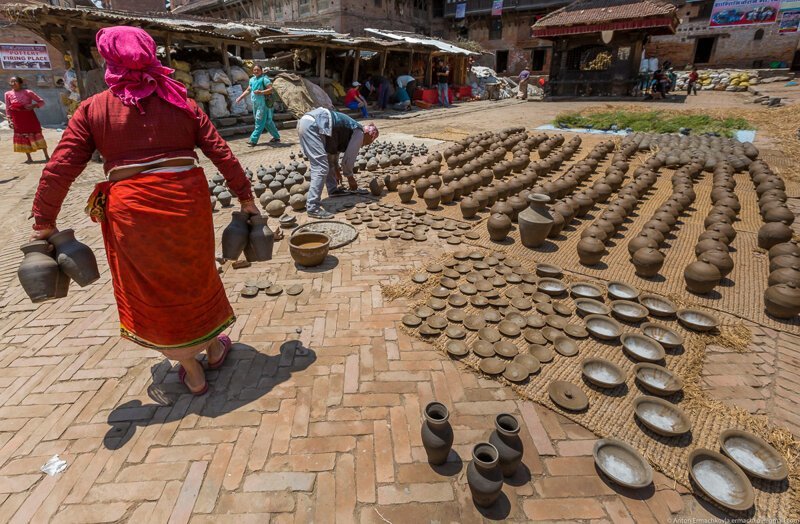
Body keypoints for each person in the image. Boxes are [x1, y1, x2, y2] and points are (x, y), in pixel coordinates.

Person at [29, 26, 272, 395]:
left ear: (107, 58)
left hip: (133, 214)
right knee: (196, 277)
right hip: (187, 206)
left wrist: (45, 221)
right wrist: (246, 198)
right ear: (150, 54)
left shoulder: (93, 109)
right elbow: (221, 152)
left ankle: (192, 369)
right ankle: (211, 346)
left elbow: (59, 168)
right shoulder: (182, 102)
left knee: (157, 290)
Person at [298, 107, 379, 219]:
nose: (367, 144)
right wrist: (350, 178)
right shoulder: (359, 132)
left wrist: (337, 170)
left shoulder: (348, 130)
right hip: (314, 125)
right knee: (321, 167)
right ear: (369, 135)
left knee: (326, 163)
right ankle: (313, 207)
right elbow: (348, 160)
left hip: (308, 122)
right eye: (370, 141)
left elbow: (332, 154)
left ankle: (333, 190)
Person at [5, 77, 49, 163]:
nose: (13, 84)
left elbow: (41, 102)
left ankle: (47, 156)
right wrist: (9, 120)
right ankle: (29, 158)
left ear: (20, 83)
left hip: (29, 118)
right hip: (17, 119)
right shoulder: (7, 94)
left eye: (15, 82)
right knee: (23, 137)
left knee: (37, 134)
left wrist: (33, 106)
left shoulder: (28, 92)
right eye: (11, 82)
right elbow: (7, 108)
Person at [235, 65, 280, 147]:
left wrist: (261, 92)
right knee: (267, 122)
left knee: (259, 121)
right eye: (254, 70)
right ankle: (276, 137)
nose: (256, 71)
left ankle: (253, 140)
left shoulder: (264, 79)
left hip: (263, 105)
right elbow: (248, 90)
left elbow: (271, 89)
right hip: (255, 104)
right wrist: (240, 97)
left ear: (261, 71)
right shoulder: (252, 80)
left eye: (258, 70)